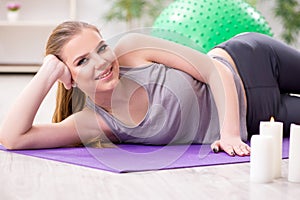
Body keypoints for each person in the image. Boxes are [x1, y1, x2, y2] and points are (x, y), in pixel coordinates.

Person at [0, 21, 298, 157]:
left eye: (101, 48)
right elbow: (13, 138)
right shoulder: (95, 123)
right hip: (260, 118)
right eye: (82, 61)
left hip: (251, 61)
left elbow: (213, 69)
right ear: (70, 78)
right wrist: (48, 71)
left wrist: (229, 133)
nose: (102, 62)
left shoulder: (131, 49)